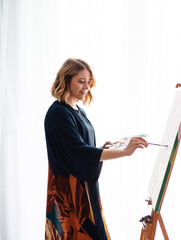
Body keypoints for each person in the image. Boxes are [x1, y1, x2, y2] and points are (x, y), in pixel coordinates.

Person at [44, 58, 147, 240]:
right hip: (70, 195)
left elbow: (80, 149)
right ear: (66, 79)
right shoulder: (58, 113)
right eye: (81, 81)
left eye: (89, 83)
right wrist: (124, 152)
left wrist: (101, 149)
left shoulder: (77, 110)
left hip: (84, 190)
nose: (86, 87)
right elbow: (79, 153)